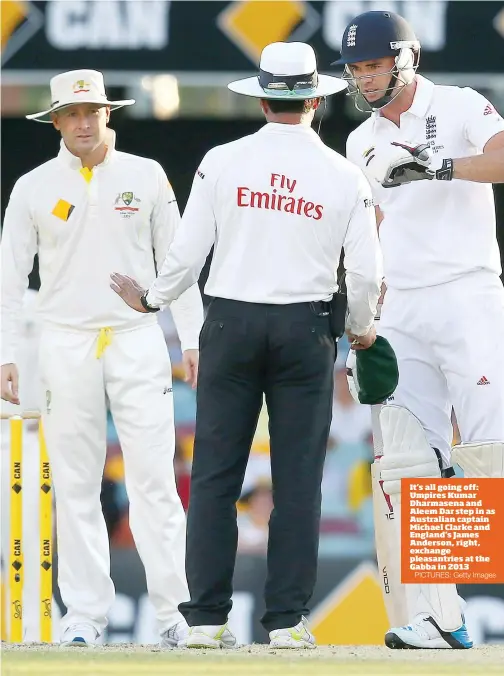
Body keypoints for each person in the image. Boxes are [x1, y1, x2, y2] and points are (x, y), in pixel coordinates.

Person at [111, 41, 383, 649]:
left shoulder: (222, 161)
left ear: (262, 99)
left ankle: (206, 619)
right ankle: (285, 622)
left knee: (214, 476)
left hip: (229, 322)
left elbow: (186, 252)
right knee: (297, 480)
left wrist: (153, 298)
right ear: (316, 98)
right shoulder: (344, 174)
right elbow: (364, 274)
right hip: (306, 328)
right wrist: (361, 327)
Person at [0, 69, 204, 647]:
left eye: (92, 112)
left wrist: (191, 338)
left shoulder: (146, 175)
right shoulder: (33, 187)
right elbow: (10, 279)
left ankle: (173, 613)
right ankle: (85, 615)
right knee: (76, 480)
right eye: (72, 114)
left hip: (137, 338)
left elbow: (179, 263)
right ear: (56, 120)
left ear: (107, 113)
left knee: (154, 479)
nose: (83, 123)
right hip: (63, 340)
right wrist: (7, 352)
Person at [334, 10, 504, 649]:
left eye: (374, 64)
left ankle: (457, 603)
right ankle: (443, 615)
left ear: (404, 59)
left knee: (488, 454)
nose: (364, 78)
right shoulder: (359, 141)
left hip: (468, 294)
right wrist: (361, 311)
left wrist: (441, 168)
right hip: (399, 305)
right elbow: (368, 230)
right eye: (356, 68)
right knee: (410, 462)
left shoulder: (460, 104)